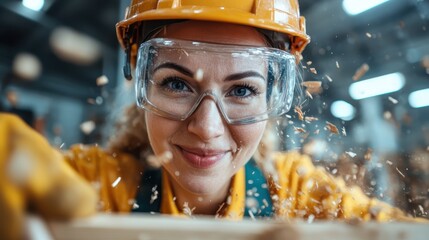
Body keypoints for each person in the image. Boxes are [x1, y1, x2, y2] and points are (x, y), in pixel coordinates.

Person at [0, 0, 423, 239]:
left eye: (241, 91)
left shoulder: (300, 195)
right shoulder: (92, 186)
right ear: (140, 83)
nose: (206, 127)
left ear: (273, 97)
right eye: (176, 84)